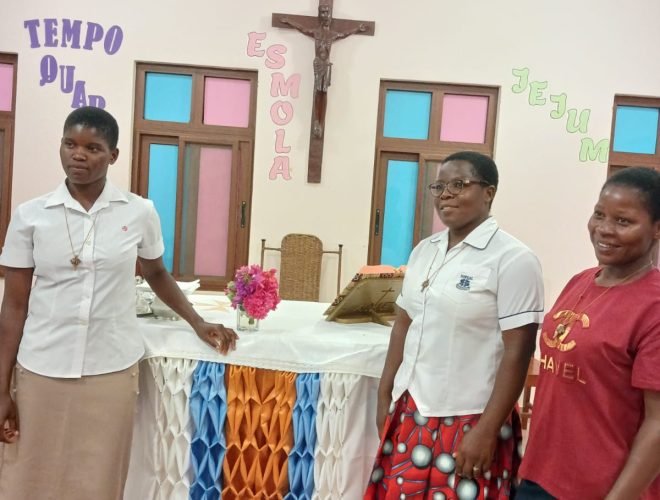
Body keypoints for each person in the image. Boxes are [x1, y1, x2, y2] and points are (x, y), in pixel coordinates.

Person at [0, 106, 238, 499]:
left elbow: (157, 273)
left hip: (110, 367)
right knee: (30, 473)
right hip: (42, 365)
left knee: (99, 476)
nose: (78, 155)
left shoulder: (138, 212)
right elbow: (13, 306)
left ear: (112, 155)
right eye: (70, 144)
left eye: (92, 148)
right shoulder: (31, 216)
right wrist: (1, 388)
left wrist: (196, 321)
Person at [365, 151, 544, 499]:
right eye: (439, 186)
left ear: (489, 192)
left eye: (459, 184)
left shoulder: (513, 259)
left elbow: (519, 352)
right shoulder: (424, 250)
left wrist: (487, 430)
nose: (445, 194)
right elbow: (404, 323)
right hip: (411, 406)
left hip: (470, 417)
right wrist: (385, 394)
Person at [517, 167, 660, 500]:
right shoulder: (580, 281)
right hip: (539, 475)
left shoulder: (653, 306)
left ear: (657, 228)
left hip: (602, 489)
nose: (604, 229)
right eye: (599, 214)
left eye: (623, 221)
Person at [280, 5, 366, 137]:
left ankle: (321, 122)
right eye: (323, 13)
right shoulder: (316, 33)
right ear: (320, 16)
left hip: (326, 65)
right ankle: (316, 120)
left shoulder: (332, 34)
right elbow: (302, 29)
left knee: (324, 92)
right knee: (317, 91)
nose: (326, 16)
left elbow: (344, 34)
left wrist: (357, 29)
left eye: (327, 13)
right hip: (318, 64)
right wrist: (289, 21)